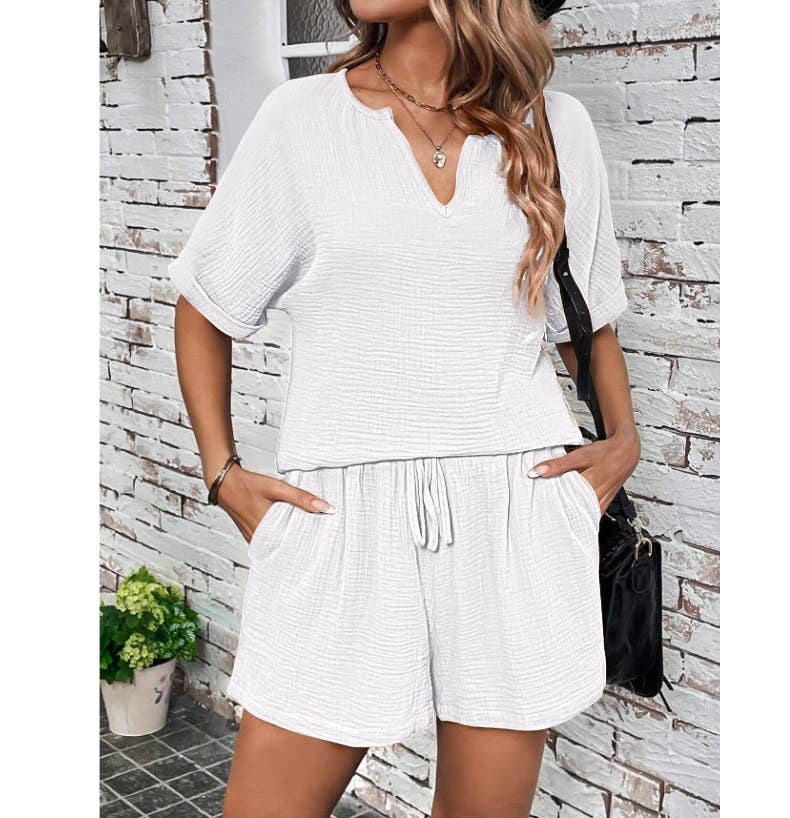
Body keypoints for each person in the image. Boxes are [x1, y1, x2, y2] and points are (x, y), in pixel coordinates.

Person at [169, 2, 640, 816]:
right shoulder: (301, 119)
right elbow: (206, 304)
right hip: (341, 518)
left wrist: (623, 441)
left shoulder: (554, 126)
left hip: (514, 511)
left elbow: (585, 319)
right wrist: (223, 474)